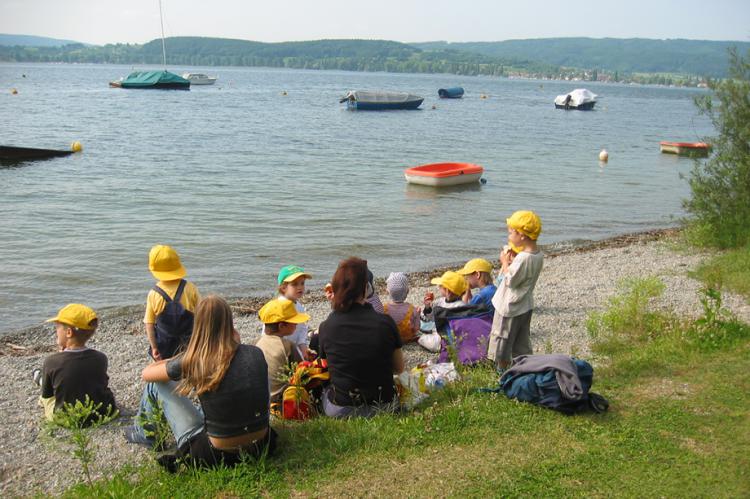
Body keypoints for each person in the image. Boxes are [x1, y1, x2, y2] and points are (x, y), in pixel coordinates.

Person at [125, 295, 275, 469]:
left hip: (216, 454)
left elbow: (147, 374)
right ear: (229, 322)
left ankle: (145, 434)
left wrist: (180, 358)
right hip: (260, 444)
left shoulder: (196, 360)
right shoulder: (255, 352)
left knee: (155, 384)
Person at [318, 257, 404, 418]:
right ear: (366, 288)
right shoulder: (385, 323)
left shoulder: (326, 327)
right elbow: (399, 368)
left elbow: (329, 365)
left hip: (342, 410)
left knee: (324, 389)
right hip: (385, 405)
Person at [34, 304, 116, 423]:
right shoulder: (101, 358)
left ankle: (40, 378)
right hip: (101, 413)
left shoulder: (51, 361)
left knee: (45, 399)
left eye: (57, 327)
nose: (56, 331)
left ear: (68, 333)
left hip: (67, 418)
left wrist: (60, 356)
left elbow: (48, 395)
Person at [487, 210, 544, 370]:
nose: (509, 236)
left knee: (502, 341)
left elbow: (510, 280)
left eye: (511, 232)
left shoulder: (523, 258)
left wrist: (505, 262)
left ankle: (502, 371)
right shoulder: (538, 254)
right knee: (521, 342)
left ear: (522, 235)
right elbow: (522, 275)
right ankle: (524, 367)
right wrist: (513, 263)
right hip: (524, 304)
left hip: (510, 307)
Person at [143, 244, 201, 360]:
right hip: (189, 345)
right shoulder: (190, 288)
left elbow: (149, 324)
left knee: (165, 371)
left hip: (164, 347)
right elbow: (202, 314)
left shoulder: (154, 293)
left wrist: (154, 348)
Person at [256, 298, 308, 403]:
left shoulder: (258, 344)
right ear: (282, 326)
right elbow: (303, 372)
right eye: (294, 321)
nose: (296, 324)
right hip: (282, 397)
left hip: (263, 397)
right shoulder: (288, 346)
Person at [269, 265, 312, 359]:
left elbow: (302, 328)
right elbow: (269, 334)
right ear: (284, 288)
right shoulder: (277, 308)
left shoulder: (299, 306)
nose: (300, 287)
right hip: (278, 351)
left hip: (295, 349)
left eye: (302, 283)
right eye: (295, 284)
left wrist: (302, 345)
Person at [383, 272, 419, 343]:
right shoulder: (412, 309)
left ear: (387, 292)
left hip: (391, 339)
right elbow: (416, 328)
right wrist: (417, 315)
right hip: (407, 338)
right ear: (407, 291)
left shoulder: (384, 309)